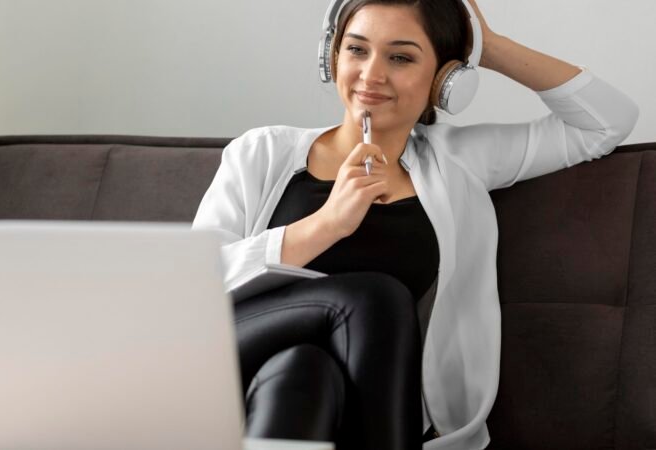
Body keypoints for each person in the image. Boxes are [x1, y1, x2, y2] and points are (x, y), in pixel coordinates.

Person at [192, 0, 639, 448]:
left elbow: (605, 124)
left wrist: (490, 47)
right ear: (333, 56)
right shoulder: (261, 153)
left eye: (400, 57)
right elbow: (193, 288)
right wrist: (328, 223)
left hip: (311, 398)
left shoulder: (458, 162)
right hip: (233, 359)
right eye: (357, 50)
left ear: (445, 80)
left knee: (304, 369)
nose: (371, 74)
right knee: (373, 298)